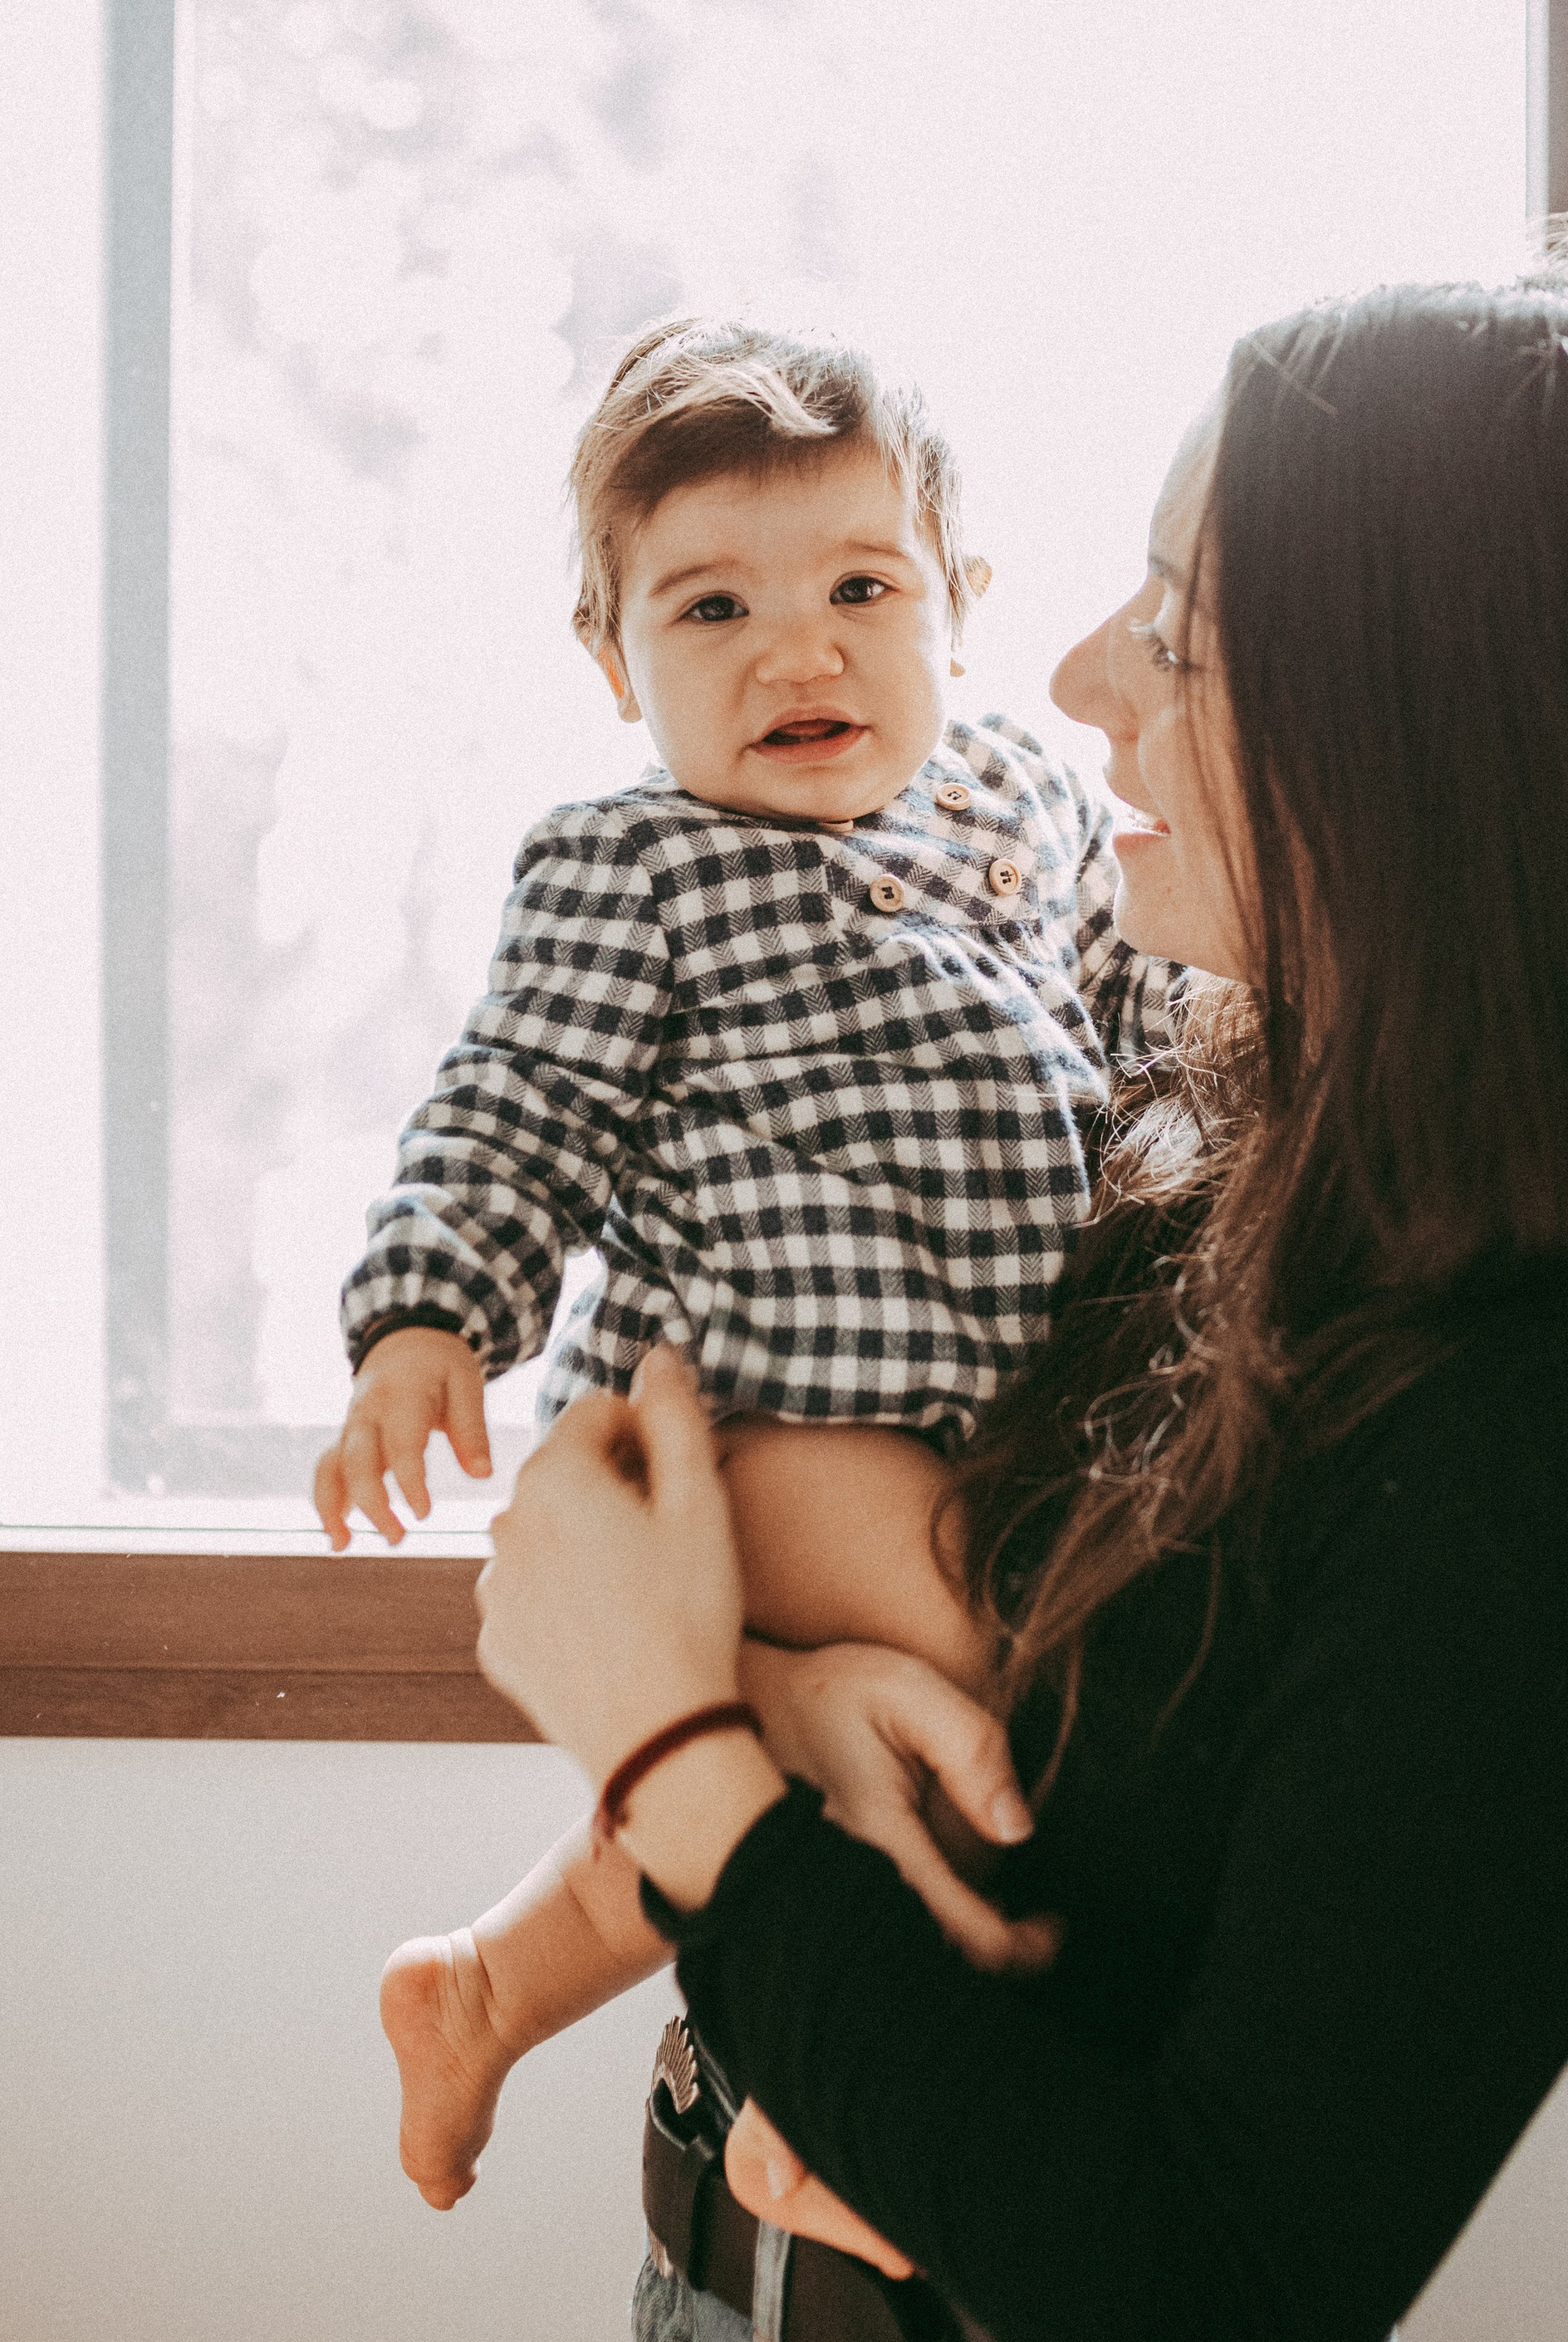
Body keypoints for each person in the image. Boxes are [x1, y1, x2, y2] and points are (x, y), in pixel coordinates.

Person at [473, 261, 1568, 2342]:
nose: (1080, 681)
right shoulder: (1231, 1148)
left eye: (1179, 631)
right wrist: (782, 1703)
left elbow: (1198, 2324)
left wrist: (673, 1758)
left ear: (1450, 741)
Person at [312, 315, 1175, 2207]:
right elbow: (515, 1103)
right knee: (994, 1691)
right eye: (712, 609)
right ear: (609, 658)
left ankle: (482, 1988)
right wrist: (427, 1317)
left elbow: (1142, 1026)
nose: (800, 652)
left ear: (958, 603)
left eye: (862, 588)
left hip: (990, 1423)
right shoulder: (636, 870)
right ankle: (835, 2113)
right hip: (756, 1438)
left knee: (851, 1754)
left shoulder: (1024, 804)